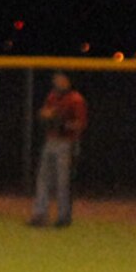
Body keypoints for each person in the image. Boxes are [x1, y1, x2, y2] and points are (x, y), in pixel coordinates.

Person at [28, 71, 88, 227]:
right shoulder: (53, 96)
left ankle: (63, 217)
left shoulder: (76, 99)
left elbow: (80, 124)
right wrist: (45, 115)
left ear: (68, 81)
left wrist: (63, 124)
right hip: (50, 141)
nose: (58, 82)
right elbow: (44, 113)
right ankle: (40, 215)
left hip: (67, 143)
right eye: (56, 79)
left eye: (61, 79)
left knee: (63, 181)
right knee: (43, 179)